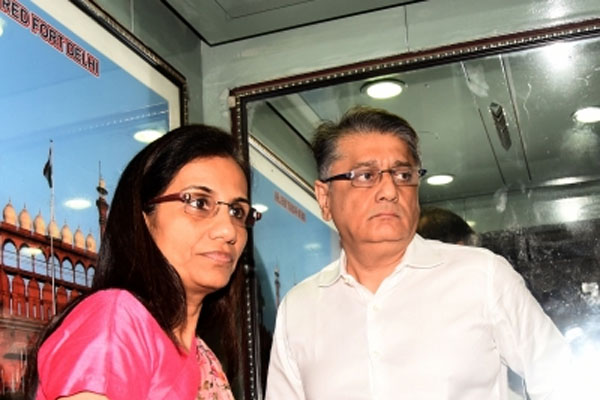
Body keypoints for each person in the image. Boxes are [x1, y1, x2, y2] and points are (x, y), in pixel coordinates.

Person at [265, 106, 570, 400]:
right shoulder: (300, 309)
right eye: (366, 176)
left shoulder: (482, 278)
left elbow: (565, 382)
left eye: (403, 175)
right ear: (324, 197)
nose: (390, 191)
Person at [24, 125, 261, 400]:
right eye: (199, 203)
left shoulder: (203, 356)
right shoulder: (116, 319)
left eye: (237, 211)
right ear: (145, 216)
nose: (228, 230)